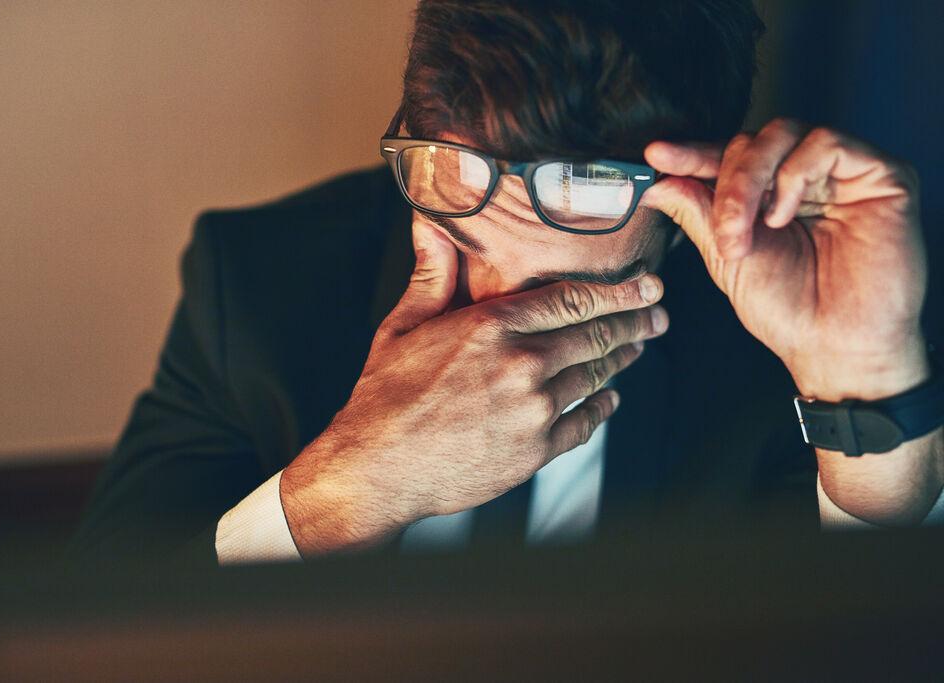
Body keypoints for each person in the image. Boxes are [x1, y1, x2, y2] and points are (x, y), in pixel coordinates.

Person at [74, 0, 944, 564]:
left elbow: (878, 645)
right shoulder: (256, 285)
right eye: (462, 226)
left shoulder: (802, 319)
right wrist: (347, 488)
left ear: (700, 188)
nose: (493, 321)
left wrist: (862, 385)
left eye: (560, 278)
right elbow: (92, 636)